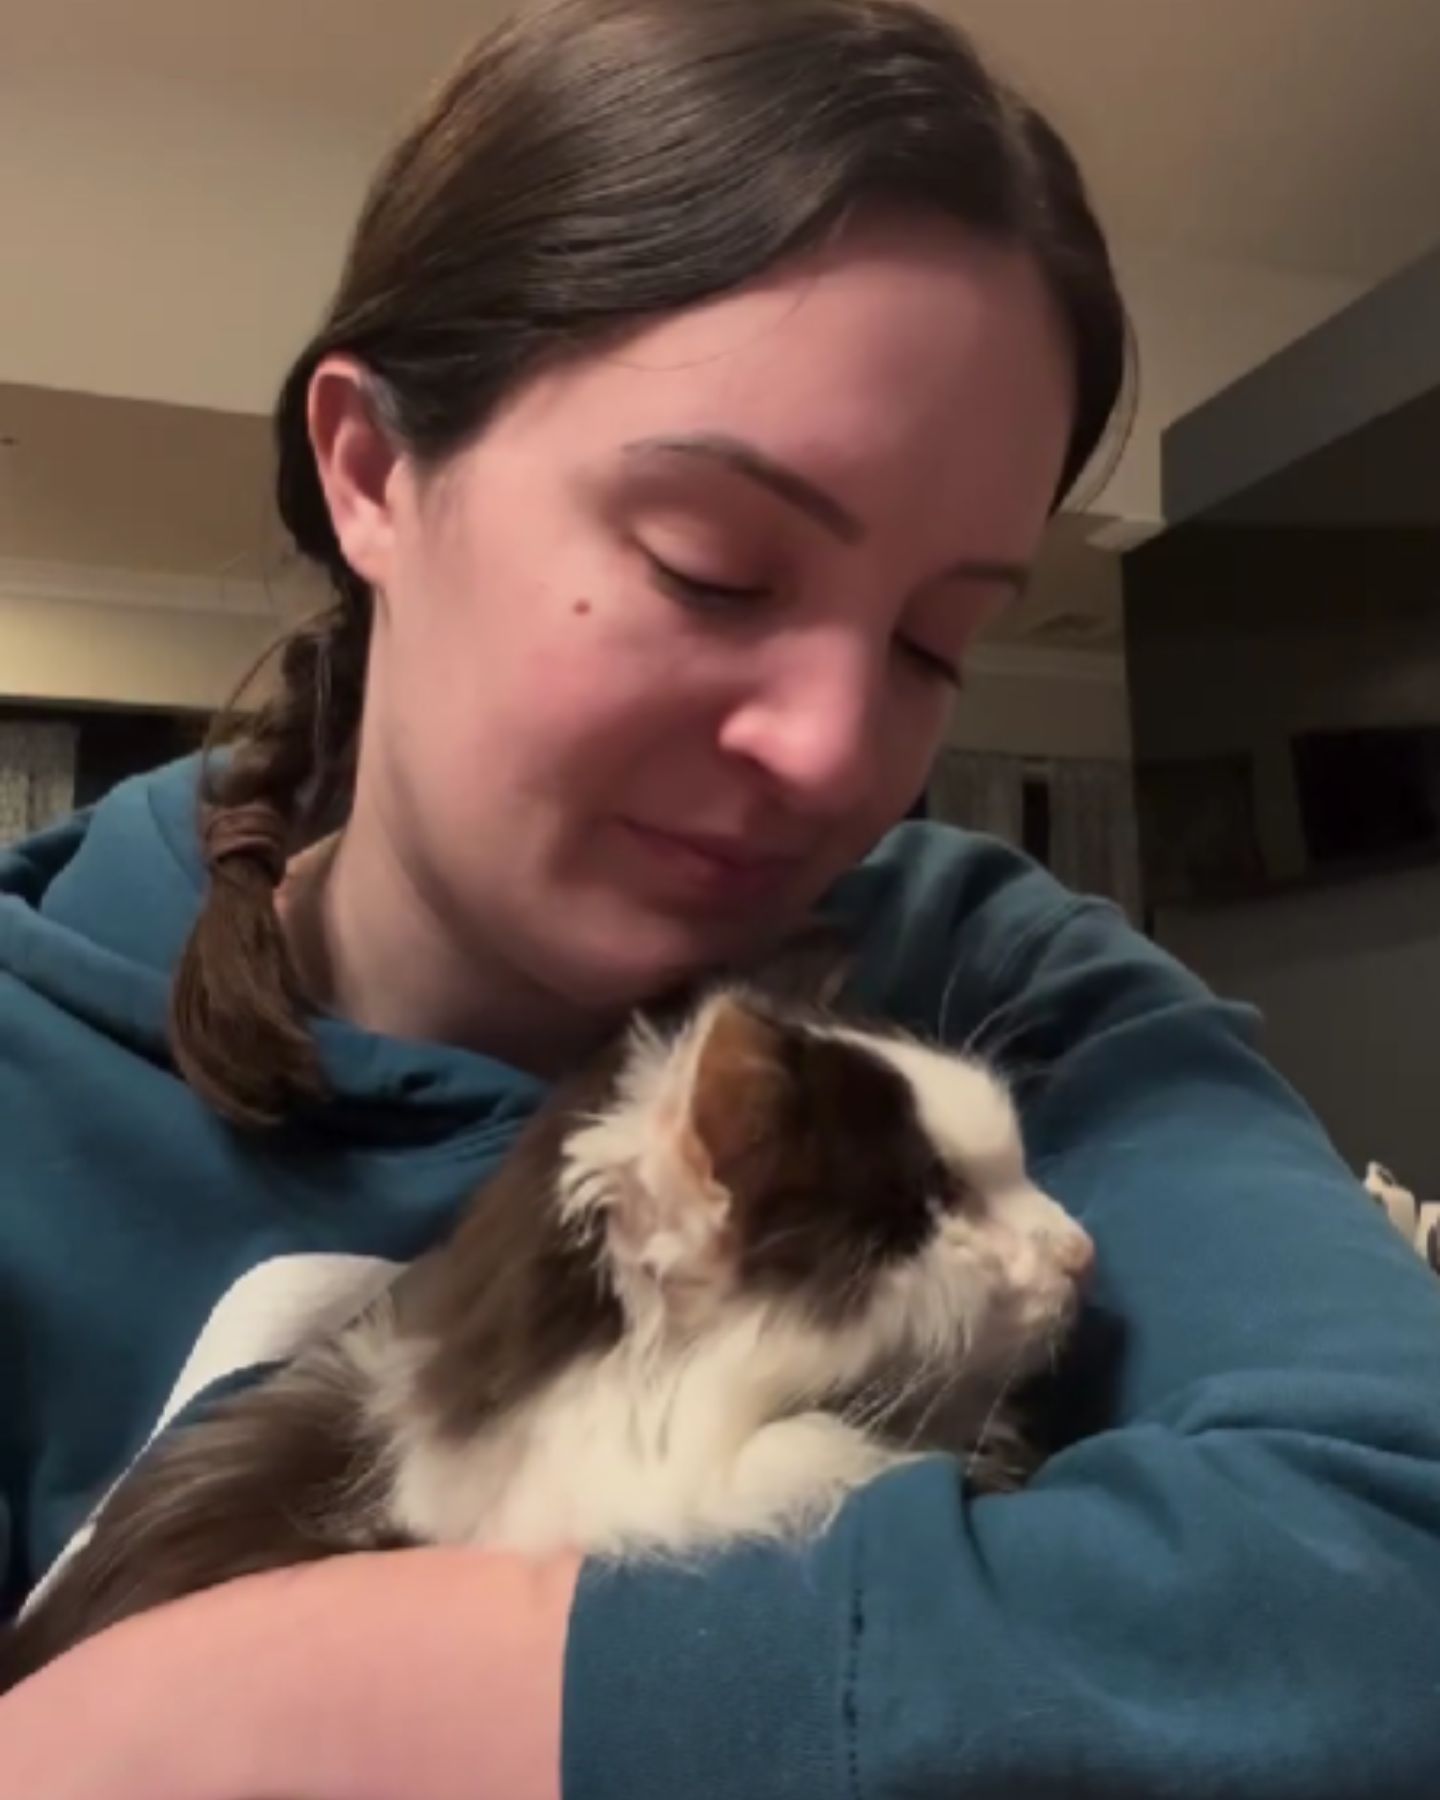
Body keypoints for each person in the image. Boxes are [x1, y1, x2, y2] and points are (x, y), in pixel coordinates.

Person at [2, 0, 1438, 1794]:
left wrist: (289, 1698)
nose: (837, 752)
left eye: (936, 641)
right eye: (715, 568)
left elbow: (1395, 1572)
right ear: (372, 472)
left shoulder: (992, 980)